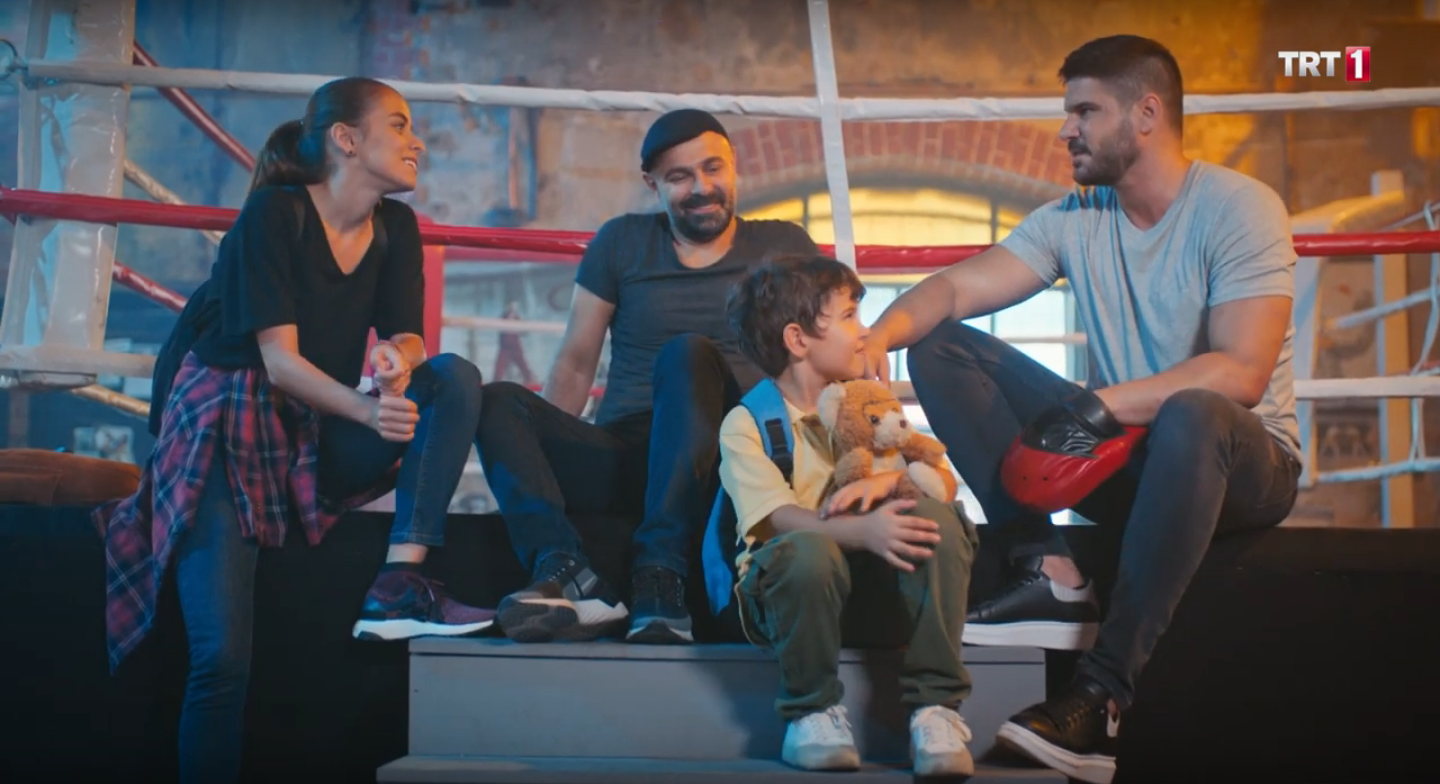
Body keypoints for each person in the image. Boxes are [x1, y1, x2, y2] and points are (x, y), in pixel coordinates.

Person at [859, 35, 1302, 784]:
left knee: (1194, 411)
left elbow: (1242, 371)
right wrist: (878, 336)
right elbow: (956, 289)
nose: (1067, 130)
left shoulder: (1238, 207)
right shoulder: (1077, 216)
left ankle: (1101, 699)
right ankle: (1048, 567)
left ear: (1146, 114)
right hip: (1132, 458)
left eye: (1085, 111)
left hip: (1242, 466)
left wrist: (1099, 405)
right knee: (939, 345)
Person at [94, 77, 495, 784]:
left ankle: (400, 579)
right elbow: (278, 363)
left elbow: (408, 334)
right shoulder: (275, 214)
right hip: (225, 428)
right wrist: (368, 409)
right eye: (399, 125)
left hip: (315, 428)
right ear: (346, 139)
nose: (417, 142)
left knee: (453, 379)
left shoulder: (397, 227)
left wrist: (396, 359)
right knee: (222, 659)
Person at [476, 109, 818, 644]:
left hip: (733, 457)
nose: (701, 187)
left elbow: (824, 342)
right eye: (680, 176)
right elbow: (575, 361)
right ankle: (565, 569)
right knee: (496, 399)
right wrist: (543, 453)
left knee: (685, 354)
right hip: (630, 449)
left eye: (712, 168)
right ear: (651, 183)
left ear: (733, 166)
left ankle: (660, 575)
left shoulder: (782, 244)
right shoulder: (621, 241)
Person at [716, 255, 978, 775]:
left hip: (877, 594)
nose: (865, 333)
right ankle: (811, 712)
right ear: (798, 340)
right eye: (850, 317)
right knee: (806, 551)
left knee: (939, 519)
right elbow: (778, 519)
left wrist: (890, 481)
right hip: (796, 602)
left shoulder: (872, 404)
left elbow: (940, 479)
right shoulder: (748, 424)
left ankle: (936, 711)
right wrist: (863, 530)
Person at [493, 300, 537, 384]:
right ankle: (495, 383)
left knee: (523, 365)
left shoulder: (517, 318)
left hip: (515, 346)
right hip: (505, 346)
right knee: (499, 367)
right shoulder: (503, 317)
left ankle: (530, 380)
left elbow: (524, 331)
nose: (513, 308)